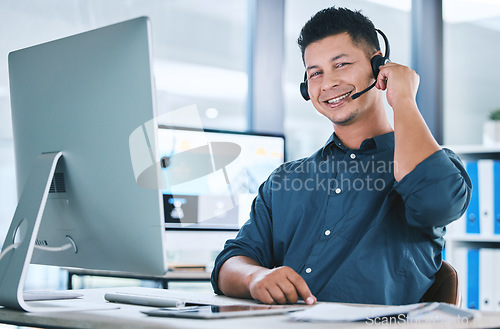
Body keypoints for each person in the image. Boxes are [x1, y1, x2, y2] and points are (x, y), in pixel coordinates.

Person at [210, 6, 471, 306]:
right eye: (315, 73)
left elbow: (438, 204)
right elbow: (231, 262)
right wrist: (254, 277)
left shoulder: (431, 166)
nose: (328, 83)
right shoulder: (285, 180)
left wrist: (403, 99)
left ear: (378, 67)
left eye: (341, 64)